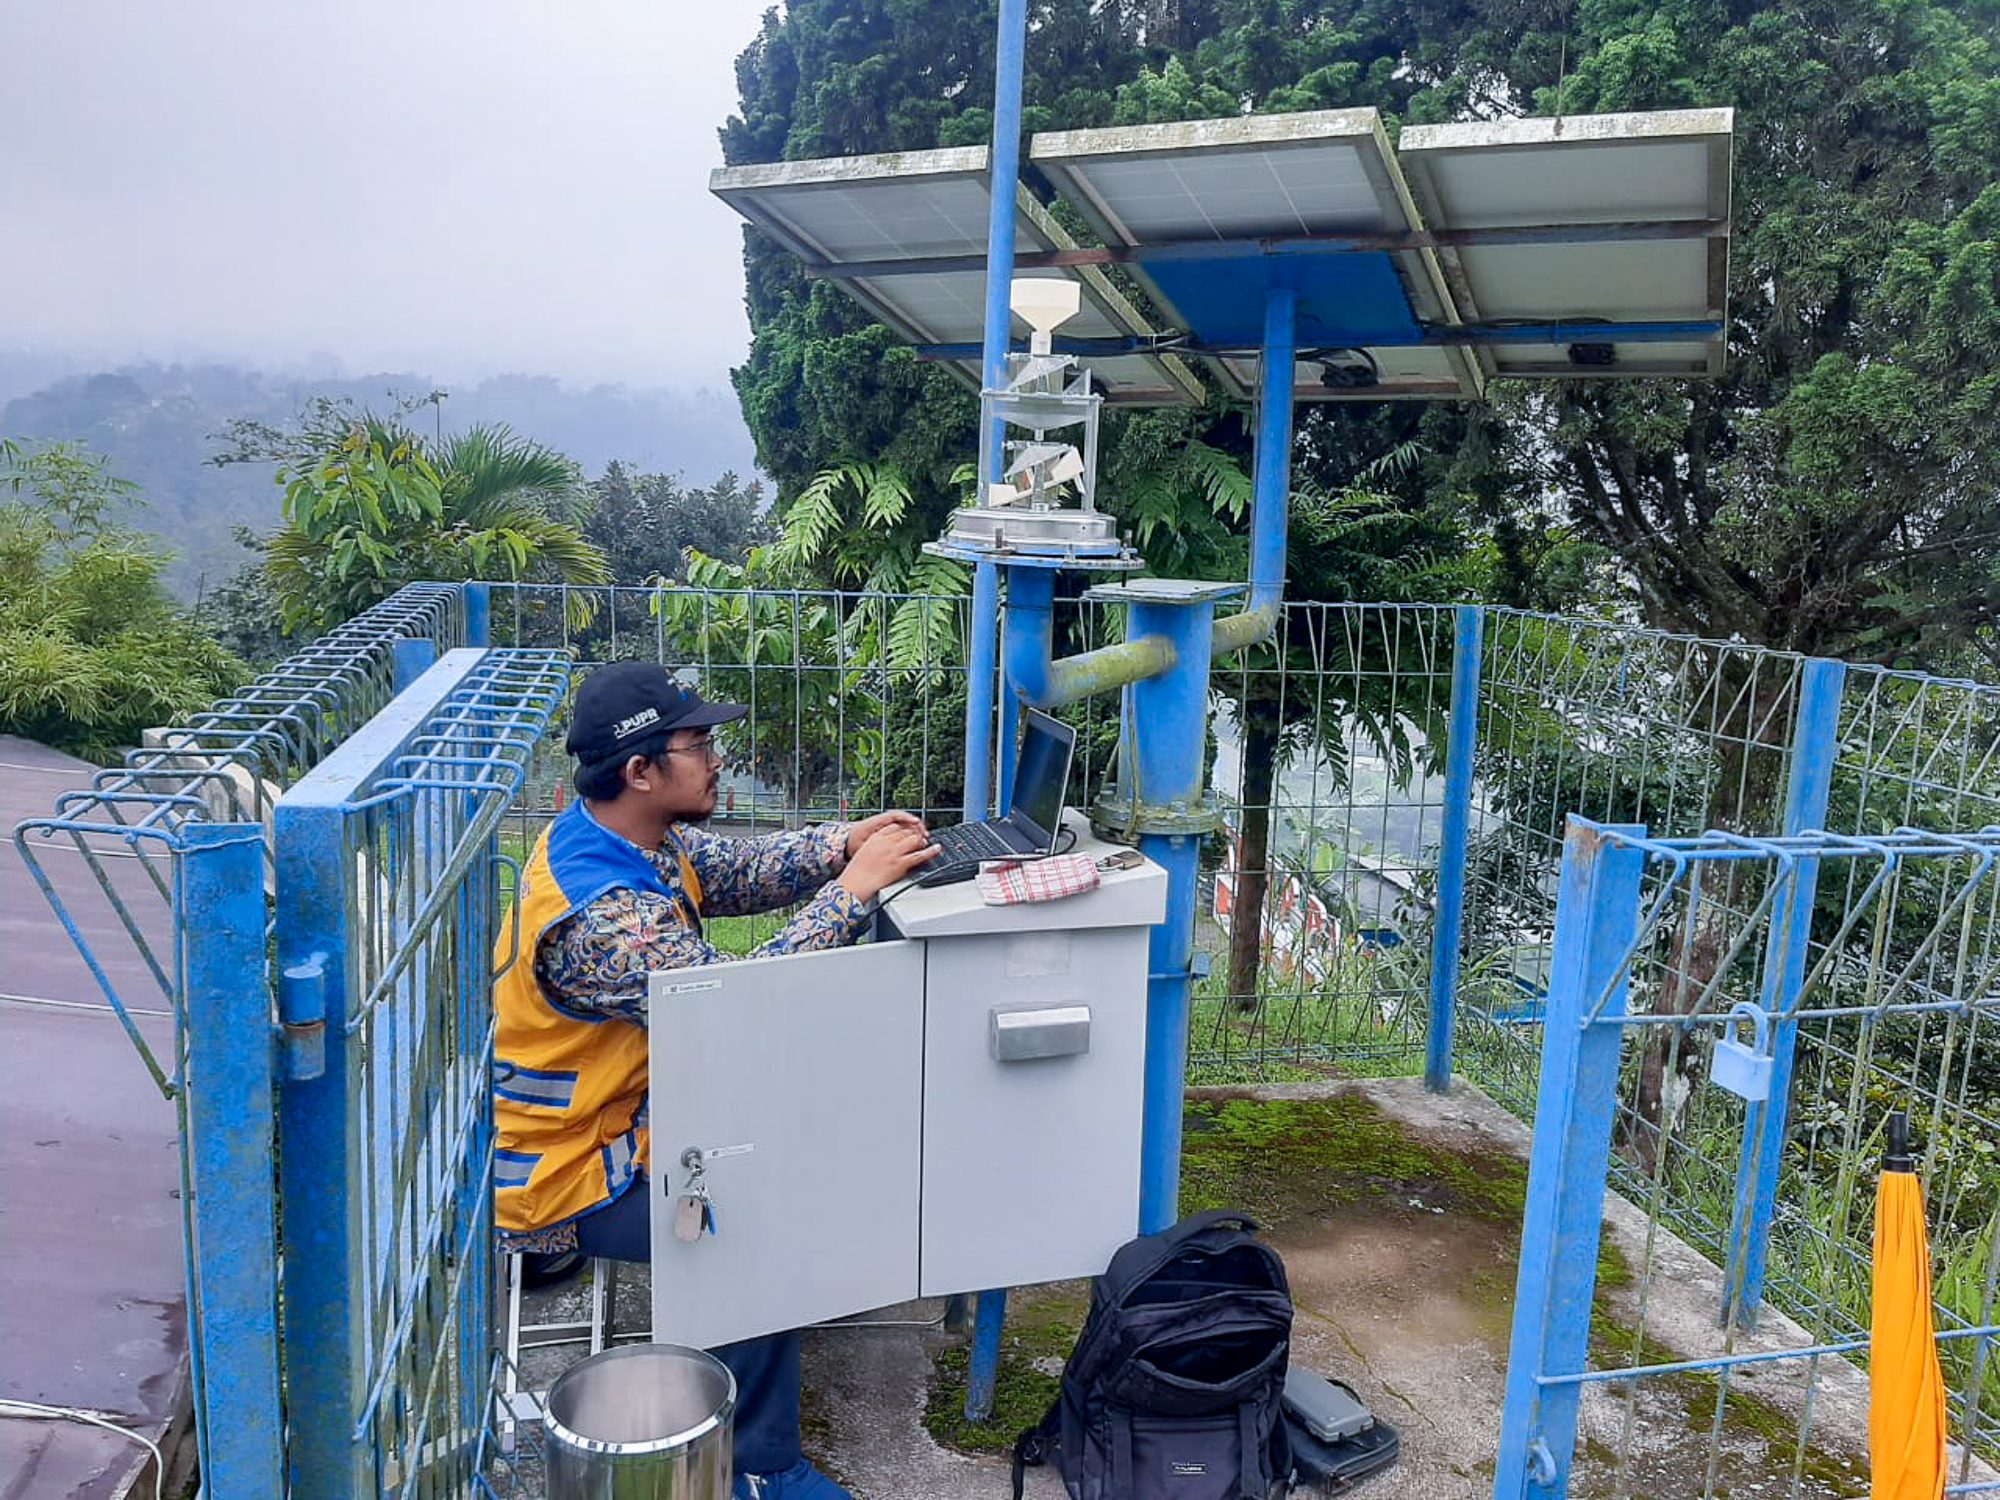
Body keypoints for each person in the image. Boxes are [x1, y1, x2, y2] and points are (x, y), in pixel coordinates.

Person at [492, 660, 938, 1500]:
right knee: (752, 1221)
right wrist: (853, 889)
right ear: (641, 771)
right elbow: (734, 1012)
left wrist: (845, 843)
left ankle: (772, 1345)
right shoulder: (603, 917)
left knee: (805, 1127)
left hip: (631, 1121)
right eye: (698, 743)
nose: (716, 756)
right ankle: (759, 1469)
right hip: (571, 1173)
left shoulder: (625, 837)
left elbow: (738, 872)